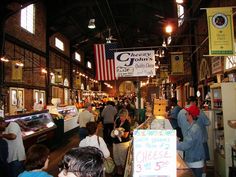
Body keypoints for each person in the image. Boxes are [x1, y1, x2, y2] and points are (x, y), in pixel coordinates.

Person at [177, 104, 205, 177]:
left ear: (190, 115)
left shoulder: (193, 129)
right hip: (195, 160)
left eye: (186, 114)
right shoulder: (194, 127)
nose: (185, 115)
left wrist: (173, 144)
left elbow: (186, 145)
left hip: (195, 161)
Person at [111, 108, 131, 176]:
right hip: (115, 142)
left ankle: (124, 174)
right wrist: (114, 130)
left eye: (123, 116)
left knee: (123, 159)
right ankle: (119, 172)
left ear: (126, 116)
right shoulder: (118, 120)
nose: (121, 117)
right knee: (116, 158)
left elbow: (125, 136)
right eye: (120, 116)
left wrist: (119, 133)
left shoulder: (127, 123)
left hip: (123, 144)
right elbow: (114, 128)